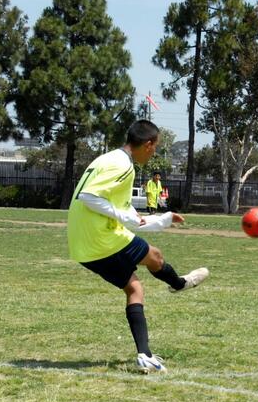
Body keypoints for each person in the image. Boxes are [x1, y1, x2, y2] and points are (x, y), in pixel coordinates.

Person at [67, 120, 209, 374]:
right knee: (154, 256)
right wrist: (124, 218)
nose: (153, 153)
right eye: (155, 148)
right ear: (148, 144)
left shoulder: (106, 159)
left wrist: (162, 220)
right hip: (103, 238)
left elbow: (130, 215)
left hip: (82, 246)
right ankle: (178, 284)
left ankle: (144, 354)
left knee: (134, 288)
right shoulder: (123, 165)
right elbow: (88, 197)